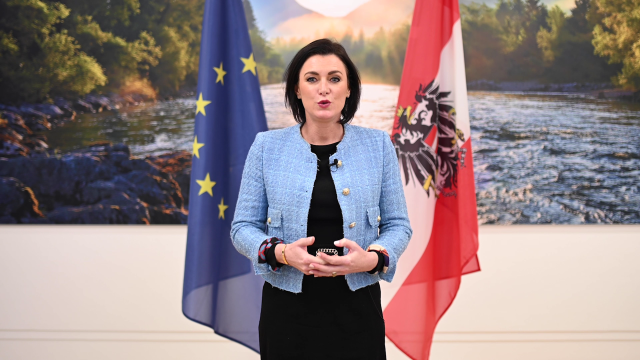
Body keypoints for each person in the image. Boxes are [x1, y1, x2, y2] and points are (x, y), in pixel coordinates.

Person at [231, 39, 412, 360]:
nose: (323, 89)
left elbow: (398, 225)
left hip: (358, 311)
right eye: (312, 79)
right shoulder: (266, 147)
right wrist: (283, 253)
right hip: (286, 312)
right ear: (297, 90)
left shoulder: (378, 145)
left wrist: (371, 259)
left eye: (334, 78)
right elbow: (242, 228)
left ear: (349, 90)